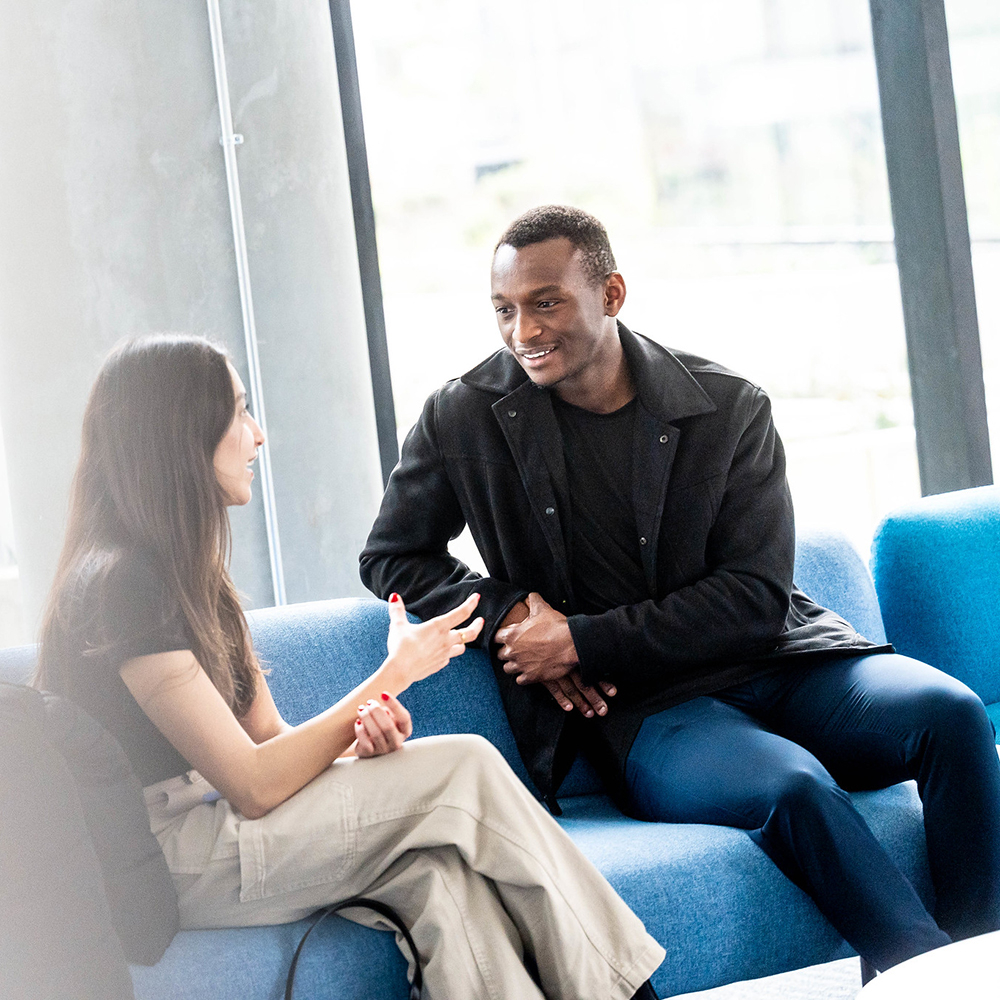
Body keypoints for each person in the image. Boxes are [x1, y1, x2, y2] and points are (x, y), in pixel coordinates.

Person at [360, 205, 1000, 973]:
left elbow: (757, 598)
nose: (522, 332)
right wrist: (513, 607)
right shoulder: (464, 416)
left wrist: (580, 640)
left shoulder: (727, 406)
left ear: (612, 294)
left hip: (786, 660)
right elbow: (393, 557)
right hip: (650, 709)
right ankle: (920, 974)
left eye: (546, 303)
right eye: (504, 310)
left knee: (954, 714)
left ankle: (976, 961)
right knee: (794, 787)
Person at [35, 334, 665, 1000]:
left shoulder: (193, 577)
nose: (258, 435)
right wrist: (395, 673)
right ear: (181, 435)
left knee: (436, 873)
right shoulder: (123, 584)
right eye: (240, 412)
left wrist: (360, 746)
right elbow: (252, 785)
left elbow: (271, 746)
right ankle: (625, 992)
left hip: (219, 827)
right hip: (172, 856)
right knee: (465, 769)